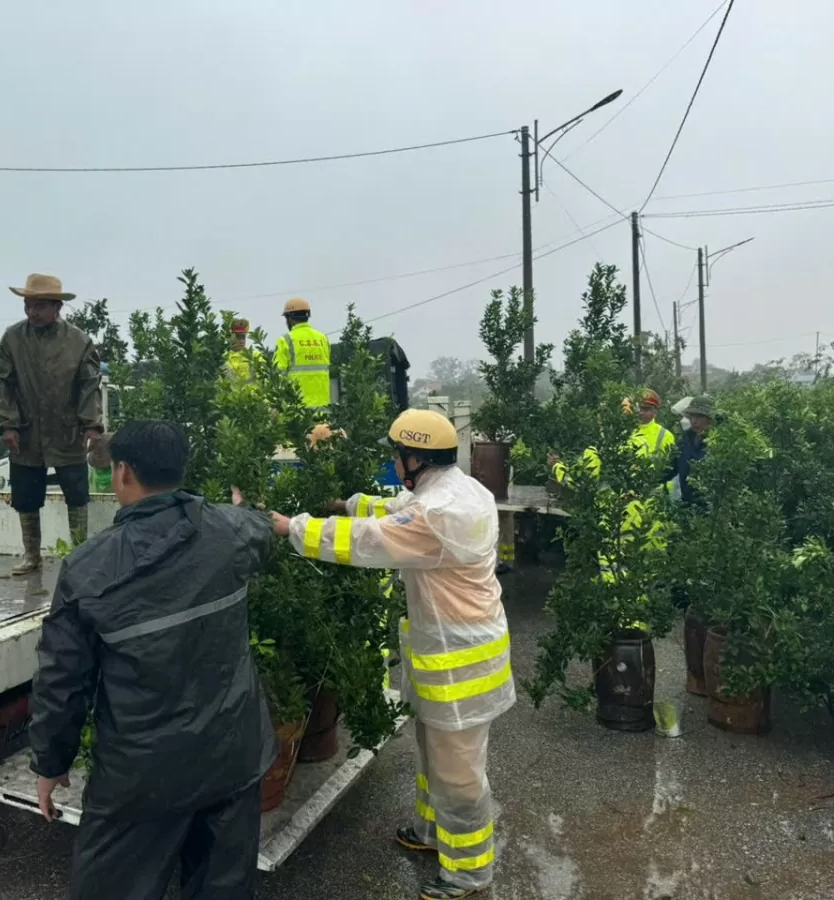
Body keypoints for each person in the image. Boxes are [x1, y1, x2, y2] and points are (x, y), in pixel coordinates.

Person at [268, 408, 513, 900]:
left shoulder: (438, 513)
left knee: (459, 774)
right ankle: (430, 833)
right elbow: (395, 512)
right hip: (446, 655)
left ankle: (469, 871)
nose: (395, 464)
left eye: (398, 455)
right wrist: (350, 503)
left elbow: (374, 540)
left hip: (460, 666)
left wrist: (291, 528)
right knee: (433, 755)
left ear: (415, 458)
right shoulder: (454, 490)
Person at [29, 420, 277, 900]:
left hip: (140, 782)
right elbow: (262, 530)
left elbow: (62, 681)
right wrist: (243, 510)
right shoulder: (231, 530)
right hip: (232, 760)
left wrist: (50, 763)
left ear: (123, 472)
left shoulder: (87, 568)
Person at [0, 274, 103, 574]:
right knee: (26, 496)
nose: (32, 312)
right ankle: (32, 555)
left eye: (39, 306)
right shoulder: (12, 339)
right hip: (26, 432)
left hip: (67, 430)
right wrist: (8, 424)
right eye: (28, 305)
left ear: (57, 306)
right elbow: (4, 384)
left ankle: (79, 554)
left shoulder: (80, 341)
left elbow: (89, 384)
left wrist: (91, 424)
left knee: (77, 493)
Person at [273, 297, 331, 408]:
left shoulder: (285, 340)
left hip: (297, 408)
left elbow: (277, 375)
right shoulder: (323, 338)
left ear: (289, 318)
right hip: (323, 407)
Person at [666, 395, 714, 504]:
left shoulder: (718, 445)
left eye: (699, 417)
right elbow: (670, 469)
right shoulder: (684, 441)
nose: (694, 421)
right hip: (687, 506)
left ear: (709, 419)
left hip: (711, 510)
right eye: (692, 416)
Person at [631, 388, 675, 458]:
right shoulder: (624, 431)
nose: (641, 412)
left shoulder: (665, 436)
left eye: (646, 409)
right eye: (638, 408)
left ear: (655, 412)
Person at [223, 318, 259, 385]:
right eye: (238, 337)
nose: (242, 341)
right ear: (230, 337)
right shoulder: (223, 357)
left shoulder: (255, 355)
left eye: (243, 337)